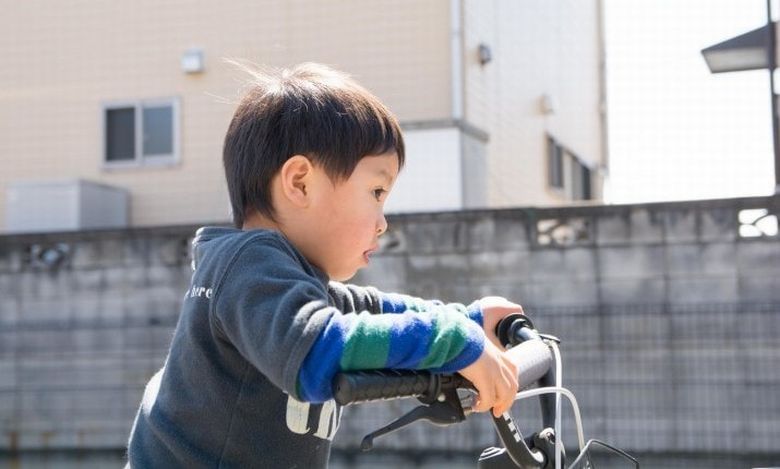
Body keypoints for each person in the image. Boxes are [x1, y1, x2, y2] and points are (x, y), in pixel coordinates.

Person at [126, 62, 522, 468]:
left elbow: (373, 309)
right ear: (300, 183)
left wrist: (466, 320)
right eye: (376, 191)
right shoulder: (245, 266)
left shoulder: (292, 282)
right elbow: (318, 349)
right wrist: (450, 339)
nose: (383, 221)